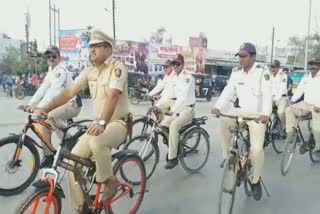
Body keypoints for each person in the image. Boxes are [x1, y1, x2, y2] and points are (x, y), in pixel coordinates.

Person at [33, 29, 129, 213]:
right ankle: (81, 208)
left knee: (97, 140)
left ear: (108, 49)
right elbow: (69, 92)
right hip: (99, 124)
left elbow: (113, 96)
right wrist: (44, 109)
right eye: (90, 47)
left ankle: (110, 182)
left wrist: (101, 123)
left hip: (118, 124)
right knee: (73, 162)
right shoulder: (90, 71)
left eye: (96, 47)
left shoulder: (117, 68)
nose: (91, 50)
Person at [211, 43, 272, 201]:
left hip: (257, 116)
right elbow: (228, 91)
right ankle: (228, 159)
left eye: (244, 56)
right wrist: (218, 107)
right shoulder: (236, 72)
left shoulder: (262, 72)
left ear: (253, 57)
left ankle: (255, 180)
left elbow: (267, 95)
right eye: (239, 56)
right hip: (241, 111)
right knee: (223, 123)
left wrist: (265, 113)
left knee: (257, 150)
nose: (241, 59)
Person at [27, 46, 81, 168]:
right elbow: (43, 89)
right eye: (48, 56)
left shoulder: (60, 71)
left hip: (72, 104)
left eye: (53, 56)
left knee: (48, 118)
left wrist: (40, 108)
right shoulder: (50, 72)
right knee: (46, 122)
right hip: (60, 104)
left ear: (59, 57)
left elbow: (53, 92)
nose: (51, 58)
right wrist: (31, 104)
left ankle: (52, 154)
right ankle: (64, 143)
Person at [161, 54, 196, 169]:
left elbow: (183, 97)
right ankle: (174, 147)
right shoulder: (173, 77)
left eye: (177, 64)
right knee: (163, 125)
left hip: (187, 109)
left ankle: (173, 158)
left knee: (174, 126)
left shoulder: (187, 77)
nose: (175, 66)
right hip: (177, 108)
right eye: (173, 64)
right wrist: (158, 105)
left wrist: (173, 110)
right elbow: (167, 94)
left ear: (183, 64)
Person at [285, 59, 320, 152]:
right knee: (288, 109)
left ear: (318, 66)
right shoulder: (306, 78)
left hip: (317, 107)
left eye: (314, 65)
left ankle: (317, 145)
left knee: (316, 128)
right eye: (311, 65)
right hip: (306, 104)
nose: (312, 68)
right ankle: (291, 134)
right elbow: (299, 91)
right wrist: (292, 101)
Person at [270, 60, 288, 133]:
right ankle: (268, 128)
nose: (272, 69)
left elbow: (282, 88)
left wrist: (275, 99)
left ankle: (285, 128)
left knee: (281, 112)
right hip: (271, 98)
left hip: (281, 98)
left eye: (274, 67)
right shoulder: (269, 75)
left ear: (278, 67)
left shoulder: (283, 75)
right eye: (271, 67)